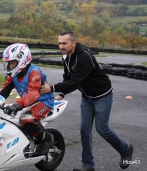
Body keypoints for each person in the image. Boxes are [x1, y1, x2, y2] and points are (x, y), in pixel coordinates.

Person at [40, 31, 133, 171]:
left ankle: (125, 149)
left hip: (102, 95)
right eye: (59, 43)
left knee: (102, 129)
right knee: (84, 130)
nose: (61, 46)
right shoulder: (66, 55)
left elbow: (75, 81)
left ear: (74, 43)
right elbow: (68, 77)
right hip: (87, 96)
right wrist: (62, 93)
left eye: (64, 43)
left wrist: (51, 88)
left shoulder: (84, 56)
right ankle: (88, 166)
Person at [0, 43, 55, 155]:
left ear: (22, 60)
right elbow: (4, 91)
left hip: (43, 101)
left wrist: (17, 104)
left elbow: (33, 94)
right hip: (27, 102)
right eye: (8, 63)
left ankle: (47, 139)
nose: (9, 67)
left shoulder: (34, 72)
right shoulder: (13, 75)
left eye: (12, 63)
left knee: (26, 119)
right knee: (4, 115)